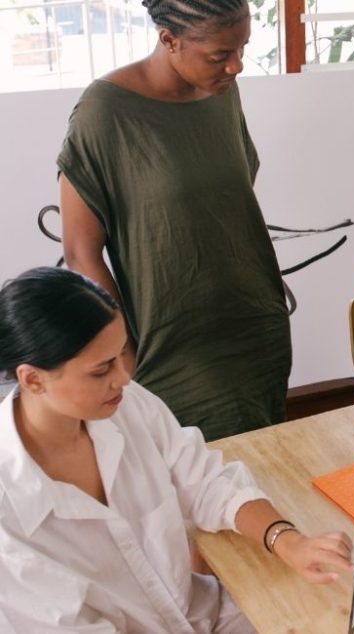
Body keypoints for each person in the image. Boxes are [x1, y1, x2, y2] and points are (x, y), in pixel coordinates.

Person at [0, 267, 353, 633]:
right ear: (33, 379)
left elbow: (205, 482)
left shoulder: (125, 404)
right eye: (101, 369)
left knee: (344, 607)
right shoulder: (9, 514)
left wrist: (287, 540)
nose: (123, 378)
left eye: (121, 354)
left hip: (208, 615)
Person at [58, 0, 290, 441]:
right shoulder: (104, 112)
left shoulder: (221, 92)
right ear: (169, 39)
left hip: (256, 325)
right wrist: (122, 352)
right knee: (191, 484)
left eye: (242, 47)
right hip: (170, 344)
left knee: (263, 468)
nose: (236, 66)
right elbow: (80, 252)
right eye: (220, 55)